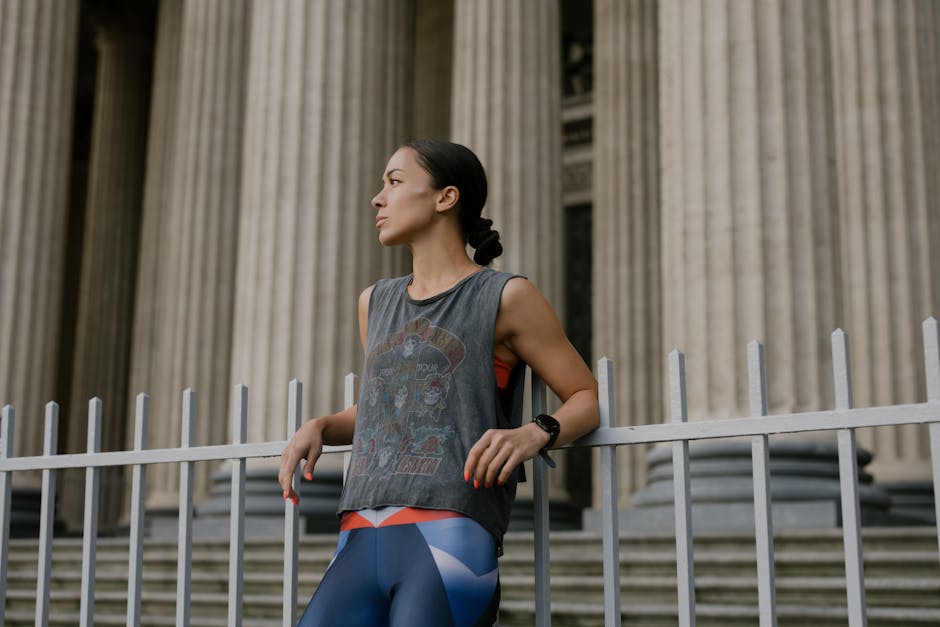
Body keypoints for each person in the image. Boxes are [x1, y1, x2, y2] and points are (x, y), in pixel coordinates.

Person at [279, 139, 599, 627]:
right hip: (359, 530)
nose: (377, 198)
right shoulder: (375, 301)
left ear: (445, 197)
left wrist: (534, 432)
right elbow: (389, 409)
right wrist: (321, 424)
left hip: (450, 533)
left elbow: (586, 398)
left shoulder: (506, 296)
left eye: (394, 181)